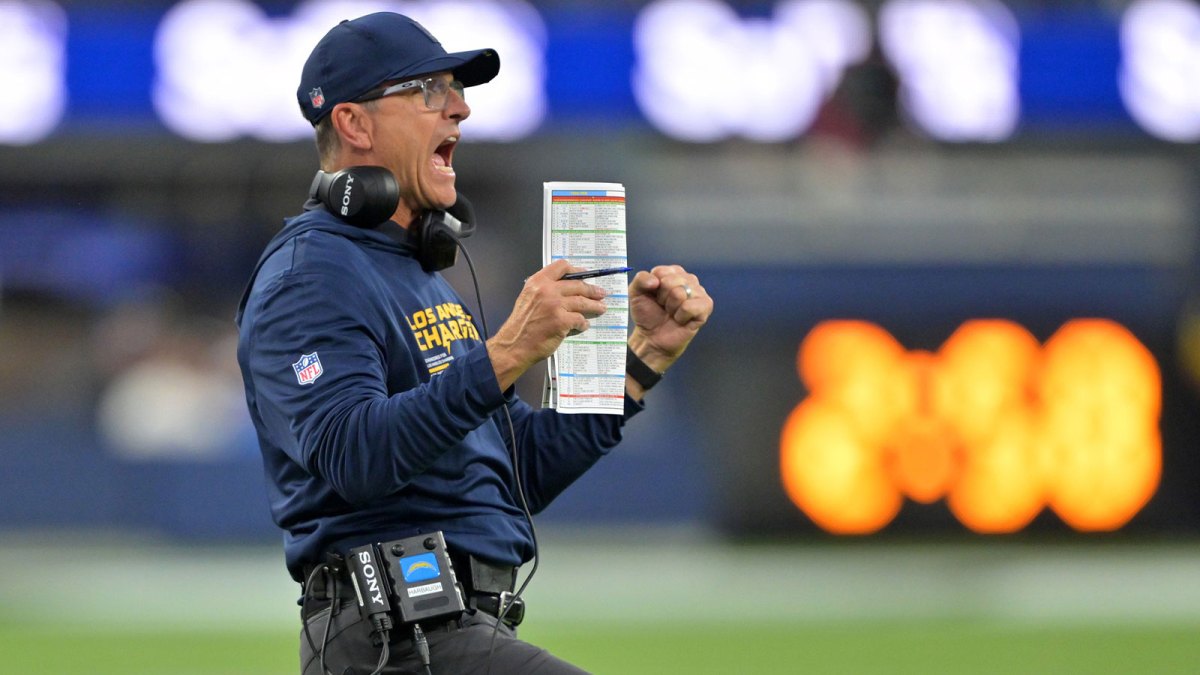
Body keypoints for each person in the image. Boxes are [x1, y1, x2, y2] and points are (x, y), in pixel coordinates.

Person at [235, 11, 713, 675]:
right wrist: (508, 351)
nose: (459, 108)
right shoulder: (310, 272)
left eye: (455, 91)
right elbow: (352, 453)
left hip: (451, 633)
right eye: (428, 90)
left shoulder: (414, 271)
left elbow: (519, 471)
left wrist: (638, 364)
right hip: (389, 640)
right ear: (354, 123)